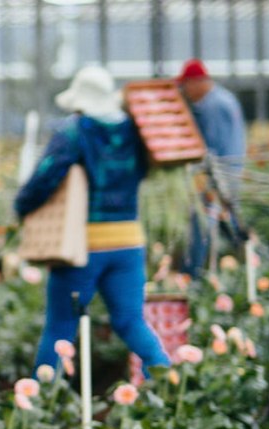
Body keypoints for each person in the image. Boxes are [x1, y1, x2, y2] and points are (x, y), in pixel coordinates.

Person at [14, 66, 171, 376]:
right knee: (130, 321)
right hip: (128, 242)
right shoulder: (136, 131)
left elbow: (46, 177)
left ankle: (40, 402)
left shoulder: (74, 131)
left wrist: (22, 206)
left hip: (82, 245)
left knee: (60, 326)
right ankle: (168, 379)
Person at [178, 58, 248, 275]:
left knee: (202, 222)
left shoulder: (212, 106)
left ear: (197, 82)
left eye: (185, 85)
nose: (185, 92)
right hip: (232, 171)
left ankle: (195, 274)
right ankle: (245, 261)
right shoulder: (224, 98)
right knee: (228, 221)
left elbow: (211, 148)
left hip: (219, 176)